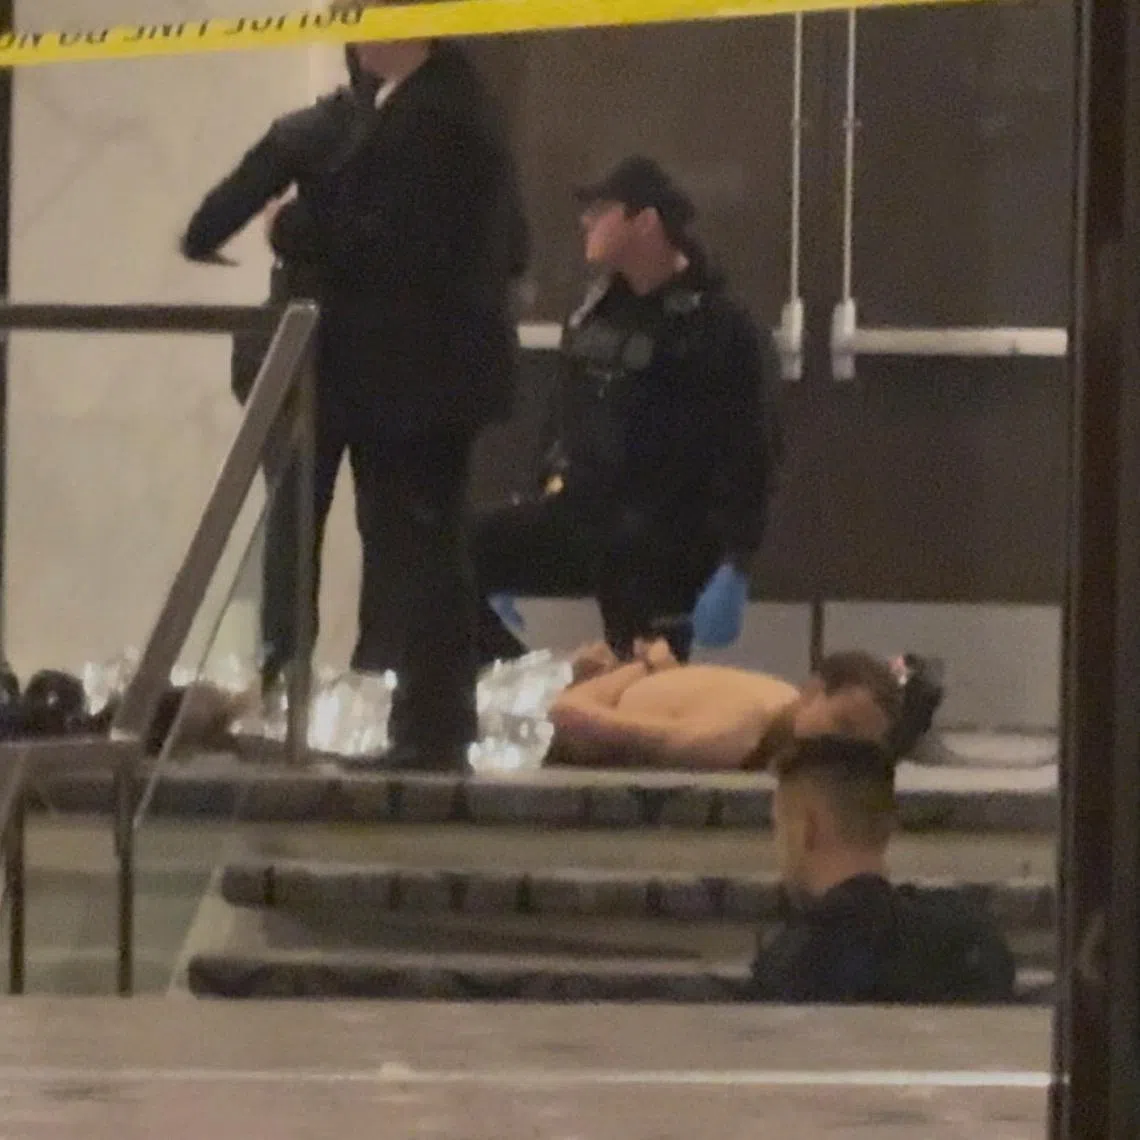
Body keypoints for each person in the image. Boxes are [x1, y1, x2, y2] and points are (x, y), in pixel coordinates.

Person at [180, 25, 529, 772]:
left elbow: (379, 234)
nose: (352, 28)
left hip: (415, 375)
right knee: (417, 548)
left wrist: (288, 225)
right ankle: (423, 724)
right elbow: (507, 243)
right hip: (415, 373)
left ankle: (427, 730)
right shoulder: (445, 108)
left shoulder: (430, 118)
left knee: (416, 550)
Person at [475, 155, 782, 668]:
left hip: (666, 537)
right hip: (584, 513)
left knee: (644, 674)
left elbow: (752, 449)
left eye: (600, 210)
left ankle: (621, 697)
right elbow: (562, 418)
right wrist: (535, 494)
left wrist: (736, 559)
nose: (585, 222)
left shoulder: (720, 327)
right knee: (453, 558)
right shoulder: (596, 312)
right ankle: (524, 682)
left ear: (646, 222)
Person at [752, 734, 1017, 1004]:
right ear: (888, 825)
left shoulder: (795, 962)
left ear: (806, 829)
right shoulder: (967, 936)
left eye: (780, 826)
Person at [546, 642, 907, 769]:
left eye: (860, 748)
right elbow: (563, 714)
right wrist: (637, 669)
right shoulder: (731, 736)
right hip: (548, 711)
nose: (844, 751)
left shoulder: (781, 697)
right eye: (843, 726)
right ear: (812, 693)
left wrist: (644, 668)